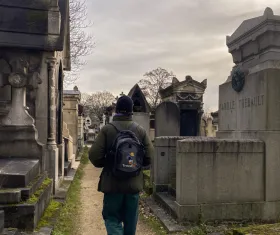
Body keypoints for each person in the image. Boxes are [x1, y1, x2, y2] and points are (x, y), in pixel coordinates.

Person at [89, 95, 154, 235]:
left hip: (112, 184)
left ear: (116, 110)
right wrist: (136, 167)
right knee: (131, 222)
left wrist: (108, 163)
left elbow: (94, 156)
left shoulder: (107, 130)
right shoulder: (140, 131)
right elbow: (149, 157)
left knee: (112, 218)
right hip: (133, 185)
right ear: (131, 111)